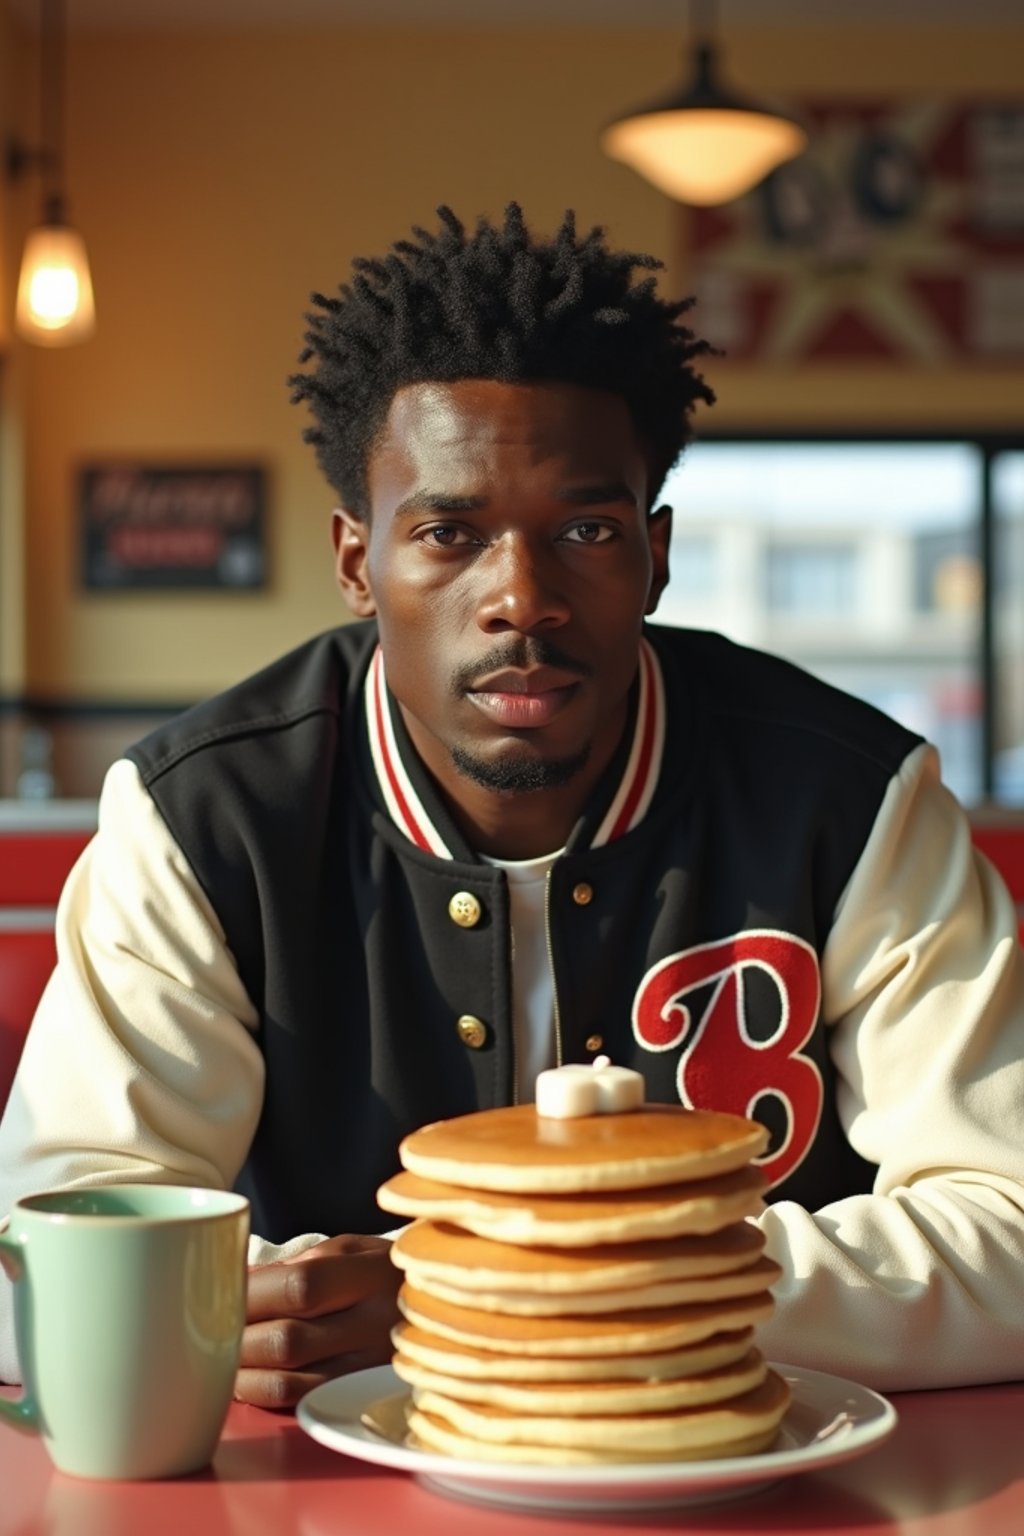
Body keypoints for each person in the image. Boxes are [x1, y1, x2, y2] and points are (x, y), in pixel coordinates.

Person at [2, 204, 1023, 1410]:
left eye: (585, 530)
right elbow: (48, 1258)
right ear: (355, 562)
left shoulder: (845, 794)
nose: (520, 599)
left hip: (756, 1474)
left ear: (654, 554)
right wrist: (236, 1311)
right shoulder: (201, 817)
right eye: (448, 531)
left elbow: (1006, 1231)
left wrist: (491, 1285)